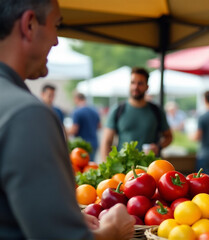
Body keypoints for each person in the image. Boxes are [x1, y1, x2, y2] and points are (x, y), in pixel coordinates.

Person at [0, 0, 135, 239]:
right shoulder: (28, 115)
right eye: (57, 25)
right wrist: (114, 230)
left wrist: (58, 214)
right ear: (29, 24)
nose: (56, 40)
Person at [100, 67, 173, 160]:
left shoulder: (156, 111)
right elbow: (106, 142)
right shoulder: (118, 110)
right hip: (124, 168)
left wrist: (158, 147)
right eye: (132, 82)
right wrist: (108, 166)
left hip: (150, 168)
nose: (136, 87)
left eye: (140, 83)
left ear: (147, 87)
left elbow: (169, 137)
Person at [68, 92, 101, 161]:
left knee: (82, 168)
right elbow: (99, 126)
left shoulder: (77, 112)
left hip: (82, 146)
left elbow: (74, 129)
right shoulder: (94, 110)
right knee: (91, 167)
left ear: (77, 99)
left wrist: (65, 132)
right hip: (94, 143)